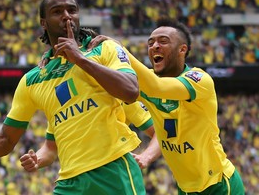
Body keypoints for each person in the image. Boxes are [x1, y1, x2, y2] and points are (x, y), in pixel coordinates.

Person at [0, 0, 147, 195]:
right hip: (69, 182)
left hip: (114, 170)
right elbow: (4, 140)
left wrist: (79, 59)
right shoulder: (32, 79)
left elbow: (130, 91)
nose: (66, 16)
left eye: (72, 10)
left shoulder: (104, 49)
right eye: (57, 11)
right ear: (43, 23)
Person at [89, 17, 245, 194]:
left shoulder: (200, 80)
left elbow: (157, 87)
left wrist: (119, 50)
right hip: (185, 188)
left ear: (182, 49)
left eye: (163, 41)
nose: (154, 46)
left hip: (219, 185)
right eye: (150, 43)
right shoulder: (147, 80)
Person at [20, 101, 162, 172]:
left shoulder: (117, 93)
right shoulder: (61, 103)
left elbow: (160, 132)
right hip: (72, 177)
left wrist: (146, 157)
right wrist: (37, 160)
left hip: (113, 172)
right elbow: (50, 148)